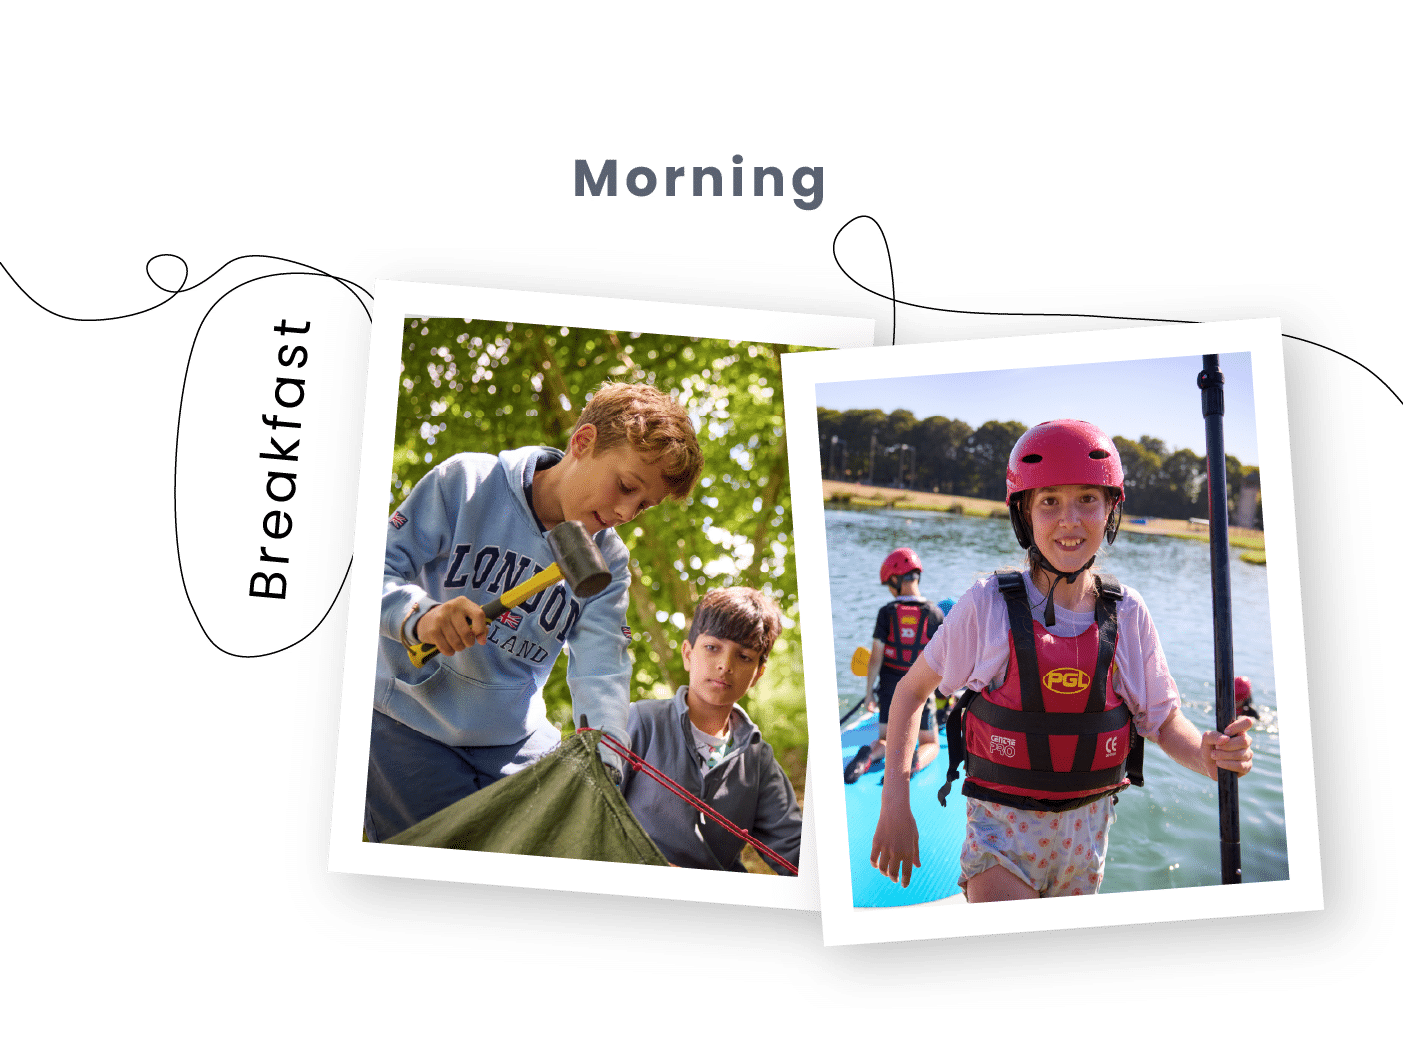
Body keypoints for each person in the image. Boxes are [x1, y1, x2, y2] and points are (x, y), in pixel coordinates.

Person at [870, 419, 1254, 900]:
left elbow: (1163, 721)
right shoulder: (987, 606)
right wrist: (895, 804)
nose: (1070, 520)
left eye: (1087, 499)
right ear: (1024, 514)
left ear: (1111, 509)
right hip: (1000, 845)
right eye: (1049, 501)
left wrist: (1209, 756)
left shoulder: (1127, 613)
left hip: (1085, 851)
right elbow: (909, 692)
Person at [366, 382, 704, 842]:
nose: (626, 511)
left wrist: (604, 756)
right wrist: (422, 616)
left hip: (511, 737)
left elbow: (602, 667)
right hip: (407, 721)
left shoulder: (609, 560)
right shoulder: (465, 483)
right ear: (582, 443)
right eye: (625, 486)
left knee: (575, 832)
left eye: (643, 504)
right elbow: (369, 573)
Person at [620, 587, 802, 874]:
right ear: (688, 654)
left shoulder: (758, 759)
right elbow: (592, 814)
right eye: (712, 647)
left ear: (758, 673)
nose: (724, 665)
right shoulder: (640, 722)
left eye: (743, 656)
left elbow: (795, 851)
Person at [844, 549, 944, 783]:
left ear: (895, 581)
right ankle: (912, 763)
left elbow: (876, 658)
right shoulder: (935, 614)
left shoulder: (886, 613)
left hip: (890, 688)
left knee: (886, 740)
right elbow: (942, 661)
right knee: (930, 742)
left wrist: (869, 693)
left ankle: (868, 755)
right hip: (920, 689)